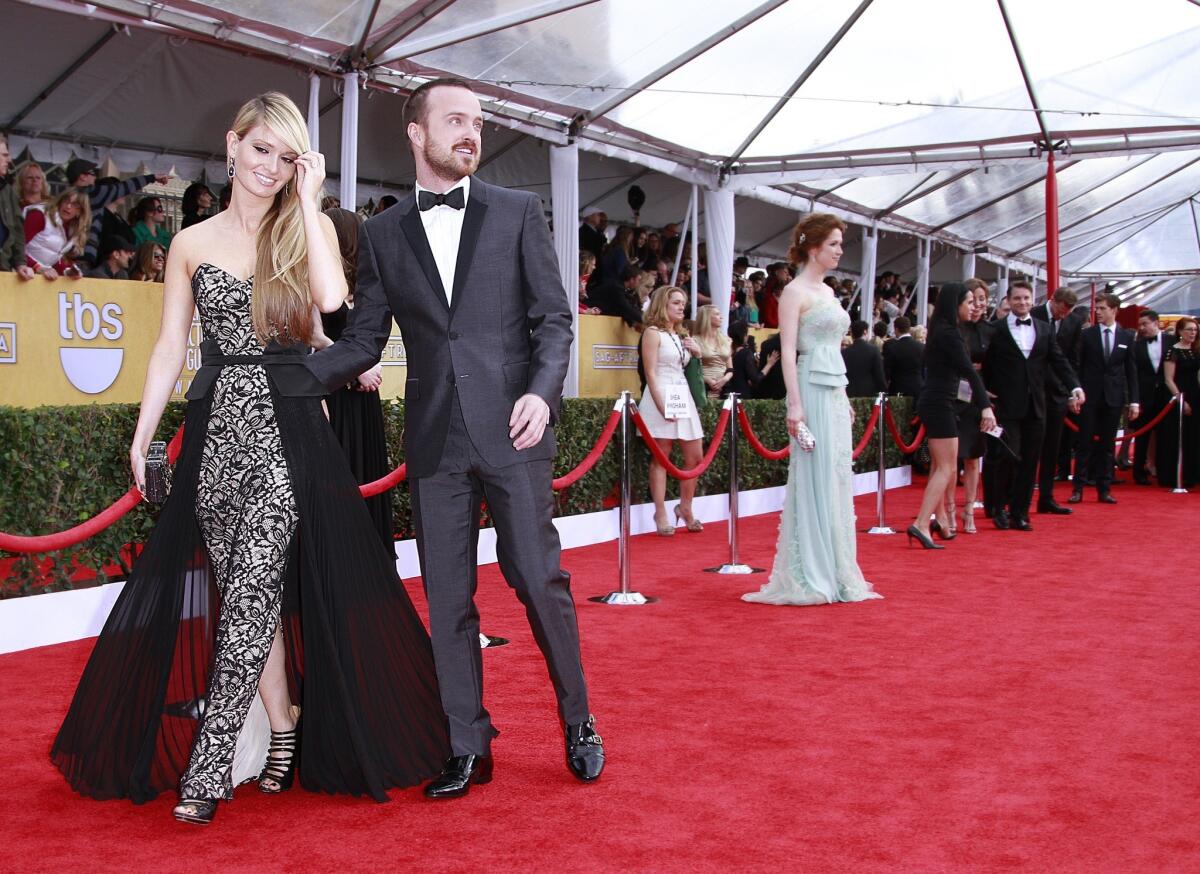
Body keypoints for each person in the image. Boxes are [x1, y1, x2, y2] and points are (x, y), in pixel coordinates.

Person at [51, 92, 449, 825]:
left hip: (285, 428)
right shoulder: (192, 242)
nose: (269, 166)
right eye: (260, 149)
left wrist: (314, 197)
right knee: (245, 598)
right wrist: (143, 437)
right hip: (213, 431)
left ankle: (208, 763)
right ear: (232, 146)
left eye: (285, 155)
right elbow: (173, 344)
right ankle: (286, 727)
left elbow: (333, 297)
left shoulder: (305, 231)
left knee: (256, 590)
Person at [304, 78, 604, 797]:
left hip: (514, 428)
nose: (472, 132)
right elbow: (366, 339)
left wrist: (540, 390)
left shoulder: (517, 211)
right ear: (416, 133)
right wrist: (288, 378)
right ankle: (468, 743)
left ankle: (580, 722)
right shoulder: (381, 233)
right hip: (436, 440)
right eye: (456, 120)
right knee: (448, 597)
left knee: (538, 581)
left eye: (478, 122)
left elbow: (555, 321)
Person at [743, 214, 881, 605]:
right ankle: (810, 573)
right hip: (808, 389)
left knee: (836, 475)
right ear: (813, 246)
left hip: (833, 392)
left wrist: (844, 396)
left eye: (840, 244)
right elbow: (787, 350)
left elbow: (835, 349)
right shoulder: (794, 292)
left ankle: (837, 569)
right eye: (835, 244)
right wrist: (795, 404)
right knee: (816, 474)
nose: (840, 250)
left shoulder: (829, 293)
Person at [319, 207, 394, 552]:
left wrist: (366, 365)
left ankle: (372, 563)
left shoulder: (369, 283)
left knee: (368, 475)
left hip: (363, 400)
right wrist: (355, 366)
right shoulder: (316, 279)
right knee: (341, 474)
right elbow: (311, 336)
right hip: (333, 394)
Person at [981, 280, 1083, 531]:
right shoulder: (995, 330)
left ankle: (1020, 512)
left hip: (1037, 406)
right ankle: (999, 508)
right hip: (1006, 405)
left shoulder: (1044, 330)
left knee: (1030, 460)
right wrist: (983, 391)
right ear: (1008, 300)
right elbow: (984, 364)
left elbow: (1059, 361)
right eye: (1017, 298)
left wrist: (1075, 387)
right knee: (1007, 456)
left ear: (1033, 300)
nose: (1022, 303)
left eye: (1026, 298)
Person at [909, 284, 996, 549]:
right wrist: (985, 406)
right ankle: (922, 522)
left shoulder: (943, 331)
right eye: (969, 302)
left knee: (940, 466)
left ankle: (941, 521)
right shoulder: (949, 334)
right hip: (939, 404)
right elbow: (970, 372)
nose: (974, 306)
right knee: (947, 468)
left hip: (937, 401)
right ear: (954, 304)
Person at [639, 286, 705, 535]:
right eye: (676, 302)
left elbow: (691, 369)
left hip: (682, 394)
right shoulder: (652, 333)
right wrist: (660, 404)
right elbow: (651, 373)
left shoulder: (681, 335)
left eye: (683, 303)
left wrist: (697, 353)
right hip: (661, 394)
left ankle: (685, 507)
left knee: (696, 456)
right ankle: (661, 513)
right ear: (662, 305)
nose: (681, 307)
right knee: (661, 458)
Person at [1068, 292, 1138, 504]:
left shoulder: (1126, 337)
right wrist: (1075, 392)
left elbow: (1131, 370)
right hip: (1089, 396)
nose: (1097, 312)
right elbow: (1077, 366)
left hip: (1114, 397)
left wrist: (1134, 401)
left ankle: (1104, 488)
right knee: (1084, 444)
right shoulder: (1087, 335)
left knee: (1107, 446)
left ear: (1114, 310)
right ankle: (1078, 488)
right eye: (1096, 308)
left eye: (1102, 308)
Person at [1031, 286, 1085, 514]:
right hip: (1033, 389)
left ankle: (1046, 497)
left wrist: (1072, 388)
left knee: (1052, 446)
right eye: (1061, 310)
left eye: (1068, 312)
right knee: (1029, 445)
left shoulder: (1072, 323)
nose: (1063, 315)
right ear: (1053, 301)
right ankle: (1016, 496)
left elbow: (1070, 359)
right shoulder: (1033, 315)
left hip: (1058, 393)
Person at [65, 158, 166, 267]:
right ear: (82, 176)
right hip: (81, 256)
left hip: (76, 254)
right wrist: (152, 177)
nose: (95, 177)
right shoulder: (90, 194)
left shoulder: (69, 195)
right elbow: (124, 187)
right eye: (93, 173)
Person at [950, 280, 990, 533]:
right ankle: (949, 510)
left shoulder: (990, 331)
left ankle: (969, 511)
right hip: (954, 398)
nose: (977, 304)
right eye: (972, 299)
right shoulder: (953, 329)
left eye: (982, 299)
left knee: (974, 458)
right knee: (950, 460)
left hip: (978, 400)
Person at [1130, 310, 1172, 485]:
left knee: (1166, 436)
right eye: (1140, 324)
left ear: (1156, 323)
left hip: (1166, 397)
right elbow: (1133, 375)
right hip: (1145, 397)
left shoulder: (1172, 342)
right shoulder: (1137, 346)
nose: (1142, 328)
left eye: (1145, 324)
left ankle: (1164, 472)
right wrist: (1135, 399)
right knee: (1142, 437)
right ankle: (1139, 472)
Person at [1161, 317, 1200, 488]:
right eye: (1189, 329)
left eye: (1195, 330)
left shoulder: (1196, 350)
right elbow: (1168, 379)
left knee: (1194, 437)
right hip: (1178, 396)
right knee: (1177, 437)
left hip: (1196, 395)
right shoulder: (1173, 351)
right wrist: (1180, 400)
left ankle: (1192, 475)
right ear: (1180, 332)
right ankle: (1173, 476)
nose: (1193, 333)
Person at [23, 187, 90, 279]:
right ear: (60, 201)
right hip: (20, 272)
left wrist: (67, 271)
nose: (68, 206)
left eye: (75, 205)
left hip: (38, 277)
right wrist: (36, 266)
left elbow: (53, 256)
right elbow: (16, 248)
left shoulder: (72, 229)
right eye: (66, 201)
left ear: (80, 211)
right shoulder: (40, 215)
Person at [0, 134, 35, 279]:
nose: (9, 160)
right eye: (4, 155)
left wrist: (20, 263)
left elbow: (17, 230)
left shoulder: (7, 191)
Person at [727, 320, 778, 398]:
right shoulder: (746, 353)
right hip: (741, 396)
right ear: (743, 336)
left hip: (727, 394)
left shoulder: (727, 352)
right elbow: (755, 379)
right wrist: (769, 364)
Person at [695, 304, 732, 401]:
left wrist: (724, 380)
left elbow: (730, 369)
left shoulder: (726, 340)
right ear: (707, 318)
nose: (721, 317)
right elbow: (692, 369)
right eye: (717, 314)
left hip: (724, 388)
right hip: (702, 387)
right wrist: (707, 380)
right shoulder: (695, 340)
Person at [841, 318, 886, 398]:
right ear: (865, 332)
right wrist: (884, 391)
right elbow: (879, 374)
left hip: (849, 392)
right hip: (869, 393)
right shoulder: (874, 350)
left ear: (851, 333)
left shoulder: (844, 353)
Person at [882, 315, 924, 398]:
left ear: (896, 329)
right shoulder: (921, 347)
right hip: (918, 388)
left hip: (898, 389)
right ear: (909, 328)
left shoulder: (892, 348)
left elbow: (886, 372)